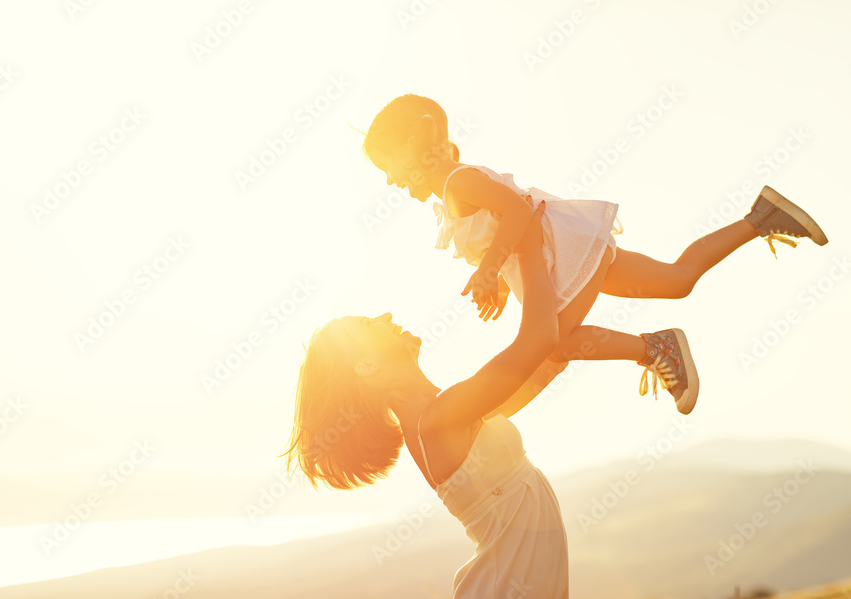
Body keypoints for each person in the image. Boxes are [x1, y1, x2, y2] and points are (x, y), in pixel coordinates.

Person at [361, 93, 828, 414]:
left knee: (555, 342)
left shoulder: (457, 183)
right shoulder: (454, 189)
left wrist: (487, 270)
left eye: (389, 165)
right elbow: (506, 223)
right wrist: (500, 280)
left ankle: (654, 347)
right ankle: (761, 218)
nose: (388, 180)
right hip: (567, 249)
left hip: (559, 257)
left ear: (420, 140)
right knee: (677, 279)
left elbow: (518, 210)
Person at [285, 204, 571, 597]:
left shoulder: (449, 411)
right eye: (370, 324)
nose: (385, 315)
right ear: (366, 366)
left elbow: (550, 358)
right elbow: (540, 340)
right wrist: (526, 245)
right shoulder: (439, 418)